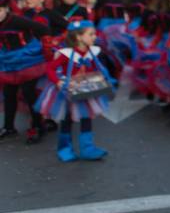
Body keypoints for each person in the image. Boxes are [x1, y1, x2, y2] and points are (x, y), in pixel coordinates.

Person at [36, 18, 114, 161]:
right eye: (90, 34)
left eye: (94, 34)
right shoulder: (67, 53)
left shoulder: (93, 51)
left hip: (87, 89)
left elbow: (97, 68)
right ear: (78, 37)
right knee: (67, 120)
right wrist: (58, 81)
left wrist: (104, 77)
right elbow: (50, 68)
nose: (94, 37)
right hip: (68, 91)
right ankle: (64, 149)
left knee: (87, 118)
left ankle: (87, 149)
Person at [0, 0, 50, 143]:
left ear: (6, 9)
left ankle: (38, 126)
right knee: (9, 93)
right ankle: (9, 127)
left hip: (28, 58)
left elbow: (43, 28)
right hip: (8, 59)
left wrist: (46, 47)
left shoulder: (16, 20)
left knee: (29, 93)